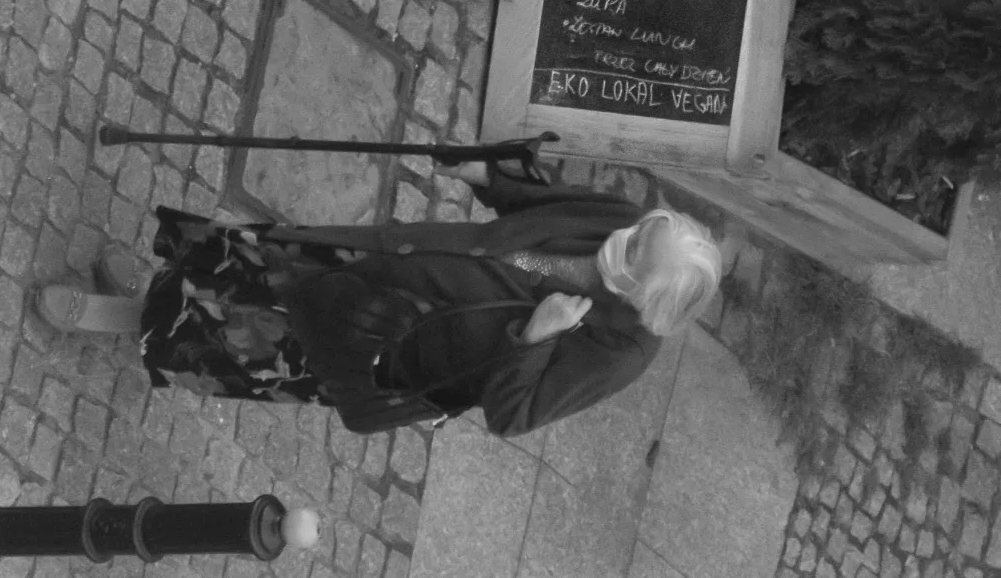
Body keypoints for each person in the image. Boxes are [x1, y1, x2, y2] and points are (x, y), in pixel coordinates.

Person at [36, 160, 722, 437]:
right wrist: (485, 171)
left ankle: (118, 319)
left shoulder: (618, 352)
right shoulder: (626, 223)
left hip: (382, 340)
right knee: (240, 267)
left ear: (643, 297)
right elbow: (538, 200)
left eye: (636, 255)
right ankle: (145, 301)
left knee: (239, 333)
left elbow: (513, 415)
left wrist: (534, 342)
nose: (624, 238)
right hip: (383, 254)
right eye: (640, 231)